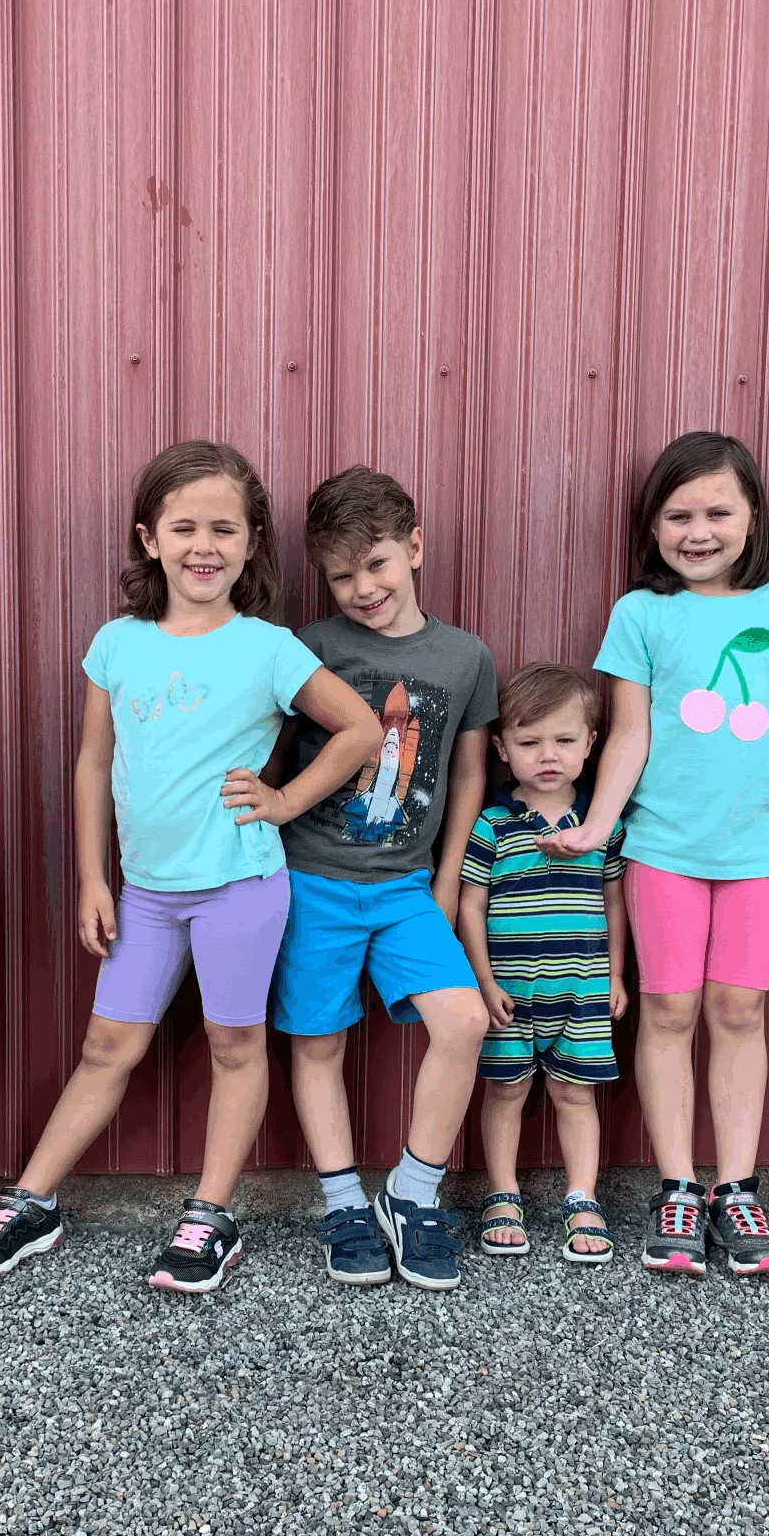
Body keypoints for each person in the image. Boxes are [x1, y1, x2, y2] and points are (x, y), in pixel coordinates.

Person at [0, 440, 380, 1295]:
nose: (203, 546)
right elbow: (92, 763)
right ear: (150, 539)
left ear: (252, 543)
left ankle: (211, 1215)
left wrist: (284, 801)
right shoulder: (118, 643)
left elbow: (363, 730)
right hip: (146, 894)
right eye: (184, 528)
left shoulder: (268, 648)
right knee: (107, 1045)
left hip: (240, 887)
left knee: (234, 1045)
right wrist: (92, 877)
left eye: (224, 529)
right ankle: (34, 1200)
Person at [547, 431, 769, 1277]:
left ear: (753, 517)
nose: (698, 531)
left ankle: (736, 1188)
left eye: (718, 512)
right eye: (679, 515)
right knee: (670, 1012)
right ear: (653, 524)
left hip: (757, 851)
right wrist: (599, 825)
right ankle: (677, 1186)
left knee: (738, 1011)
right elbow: (629, 735)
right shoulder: (640, 615)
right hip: (664, 849)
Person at [270, 466, 497, 1293]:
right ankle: (342, 1204)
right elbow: (277, 754)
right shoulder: (311, 649)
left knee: (463, 1022)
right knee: (317, 1040)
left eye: (376, 564)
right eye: (341, 575)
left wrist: (448, 879)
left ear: (415, 547)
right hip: (312, 878)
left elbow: (468, 774)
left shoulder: (465, 657)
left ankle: (412, 1193)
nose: (363, 588)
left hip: (407, 887)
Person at [458, 663, 627, 1263]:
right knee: (506, 1090)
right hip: (509, 989)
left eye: (564, 740)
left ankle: (582, 1197)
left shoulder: (601, 825)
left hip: (582, 987)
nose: (548, 755)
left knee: (575, 1094)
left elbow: (614, 900)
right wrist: (483, 982)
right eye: (529, 742)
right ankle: (502, 1194)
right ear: (502, 748)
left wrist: (617, 974)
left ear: (591, 744)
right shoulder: (493, 824)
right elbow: (471, 904)